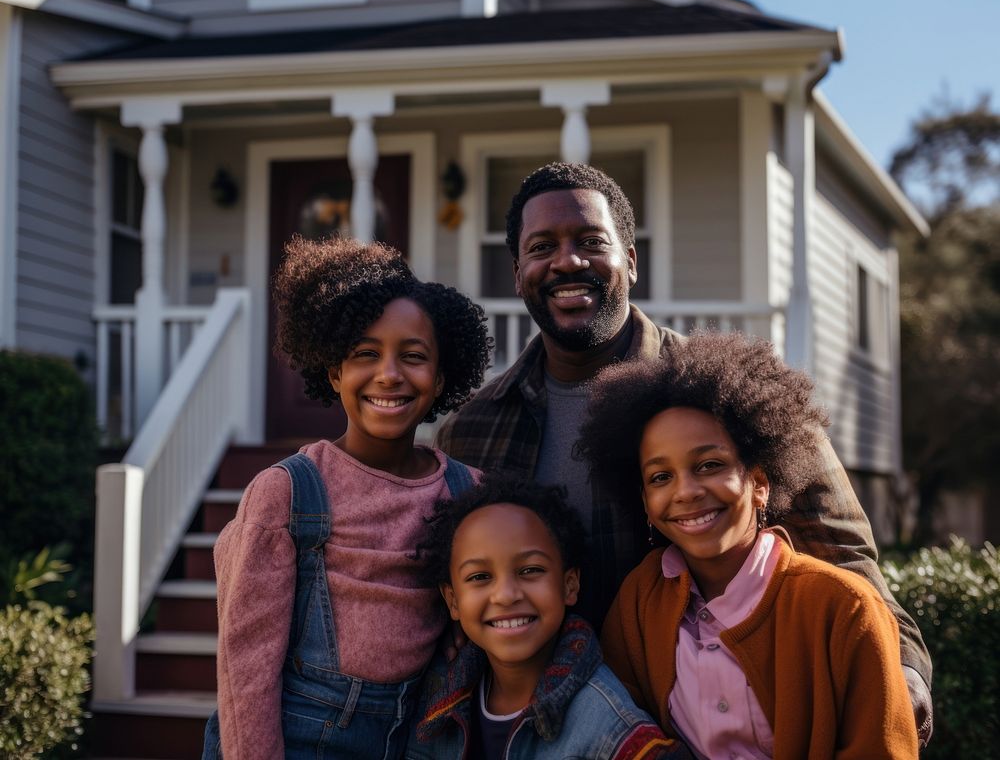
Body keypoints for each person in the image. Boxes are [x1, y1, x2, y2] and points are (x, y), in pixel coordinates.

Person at [436, 161, 933, 743]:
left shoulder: (724, 399)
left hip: (697, 727)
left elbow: (844, 554)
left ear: (631, 258)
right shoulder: (473, 429)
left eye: (591, 242)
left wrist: (900, 672)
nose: (567, 261)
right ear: (518, 271)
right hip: (535, 733)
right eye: (542, 247)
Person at [204, 235, 492, 759]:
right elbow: (246, 671)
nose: (389, 373)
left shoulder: (468, 492)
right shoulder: (286, 495)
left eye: (413, 356)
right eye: (365, 354)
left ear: (442, 377)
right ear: (334, 371)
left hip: (417, 738)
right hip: (297, 740)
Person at [577, 332, 919, 759]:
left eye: (710, 465)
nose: (686, 492)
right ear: (644, 500)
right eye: (660, 477)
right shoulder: (638, 603)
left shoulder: (845, 608)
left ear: (759, 483)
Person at [407, 474, 693, 760]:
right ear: (453, 600)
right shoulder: (435, 690)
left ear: (569, 585)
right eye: (480, 576)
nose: (506, 595)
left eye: (530, 570)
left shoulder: (609, 725)